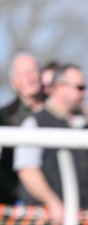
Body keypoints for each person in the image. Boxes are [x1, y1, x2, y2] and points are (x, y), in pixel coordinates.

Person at [13, 64, 88, 224]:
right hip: (43, 223)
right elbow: (27, 169)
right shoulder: (35, 122)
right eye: (80, 87)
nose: (85, 93)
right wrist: (53, 203)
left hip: (81, 223)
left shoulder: (84, 124)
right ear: (58, 87)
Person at [0, 53, 43, 204]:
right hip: (14, 200)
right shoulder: (4, 116)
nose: (30, 78)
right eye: (24, 74)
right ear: (14, 82)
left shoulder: (55, 113)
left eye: (33, 72)